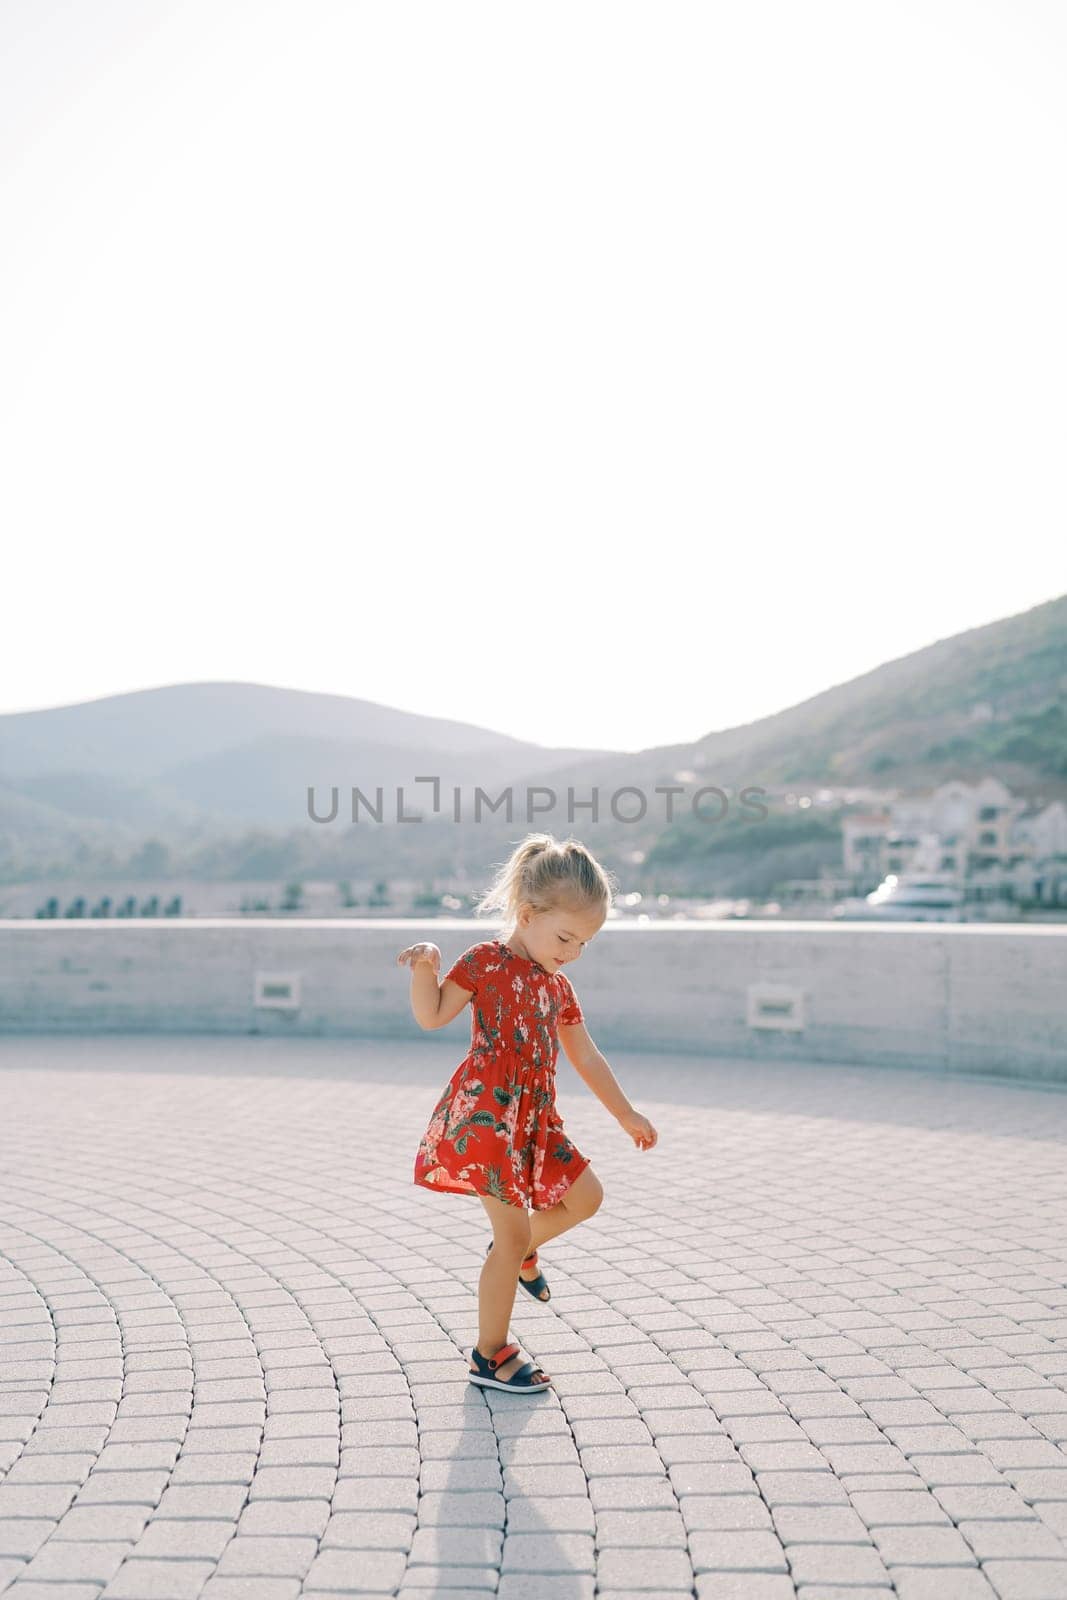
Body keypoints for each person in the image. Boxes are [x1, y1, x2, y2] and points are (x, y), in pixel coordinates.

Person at [397, 832, 658, 1396]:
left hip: (536, 1118)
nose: (572, 952)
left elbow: (585, 1054)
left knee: (585, 1197)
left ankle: (516, 1251)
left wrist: (625, 1113)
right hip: (488, 1118)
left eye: (584, 943)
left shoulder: (557, 986)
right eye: (565, 936)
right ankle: (489, 1353)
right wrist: (425, 969)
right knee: (510, 1234)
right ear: (526, 912)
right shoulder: (486, 963)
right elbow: (433, 1015)